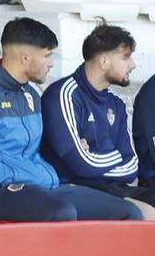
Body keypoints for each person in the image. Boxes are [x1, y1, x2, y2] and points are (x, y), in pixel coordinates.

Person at [0, 17, 143, 222]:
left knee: (128, 212)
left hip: (42, 186)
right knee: (61, 212)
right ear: (25, 58)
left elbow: (38, 150)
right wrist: (28, 174)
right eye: (47, 55)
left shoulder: (31, 95)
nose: (52, 63)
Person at [39, 24, 154, 213]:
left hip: (109, 187)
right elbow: (79, 165)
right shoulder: (63, 95)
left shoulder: (117, 103)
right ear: (103, 61)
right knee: (140, 212)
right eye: (126, 57)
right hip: (73, 188)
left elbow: (132, 165)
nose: (133, 64)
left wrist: (92, 156)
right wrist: (116, 155)